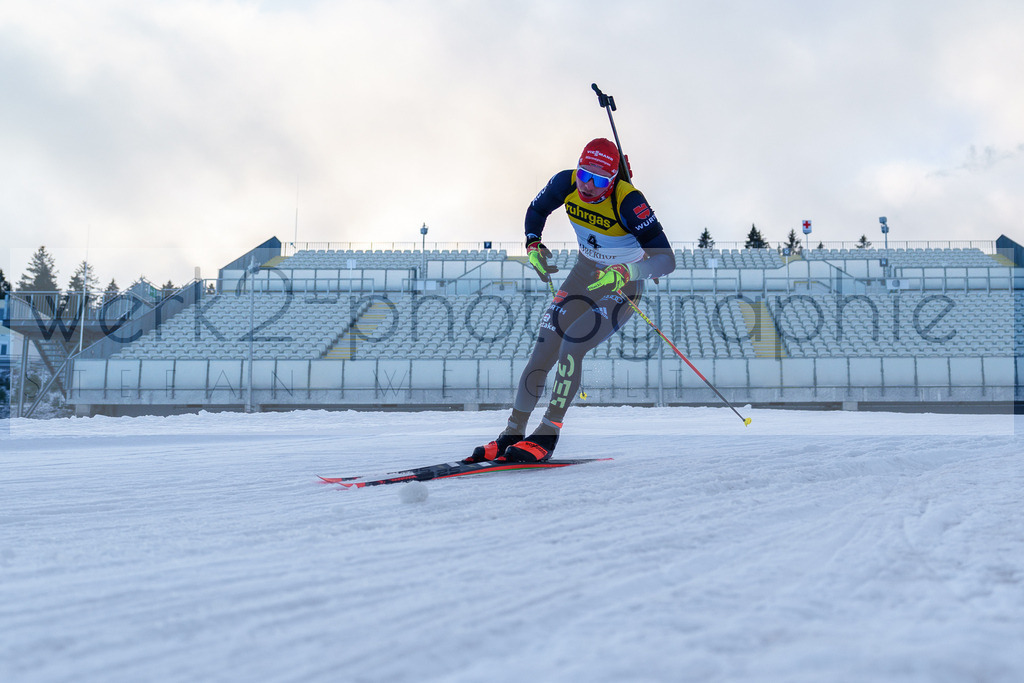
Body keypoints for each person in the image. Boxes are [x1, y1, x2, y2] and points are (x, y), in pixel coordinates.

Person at [466, 137, 676, 463]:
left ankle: (548, 433)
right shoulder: (565, 181)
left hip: (620, 285)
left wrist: (630, 270)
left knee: (572, 345)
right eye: (584, 175)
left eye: (600, 180)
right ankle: (512, 432)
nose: (588, 186)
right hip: (583, 274)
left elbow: (666, 261)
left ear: (614, 180)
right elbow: (537, 210)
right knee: (544, 347)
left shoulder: (629, 201)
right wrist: (533, 244)